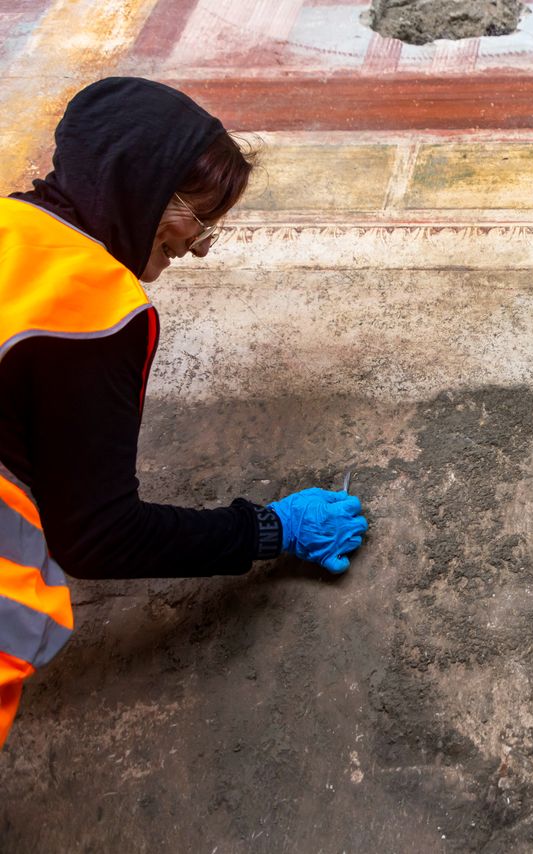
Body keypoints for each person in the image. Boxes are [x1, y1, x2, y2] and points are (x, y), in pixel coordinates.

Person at [0, 78, 369, 746]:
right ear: (135, 183)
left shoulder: (10, 229)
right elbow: (99, 536)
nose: (199, 244)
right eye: (196, 217)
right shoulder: (93, 308)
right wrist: (270, 530)